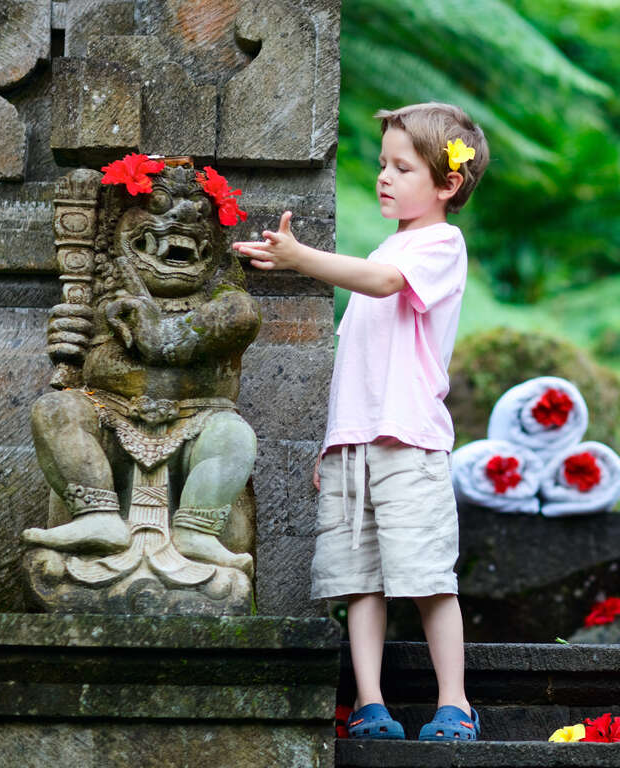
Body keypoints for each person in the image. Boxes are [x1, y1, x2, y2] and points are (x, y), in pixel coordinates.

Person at [232, 102, 489, 742]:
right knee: (359, 581)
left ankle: (453, 703)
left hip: (410, 444)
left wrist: (300, 258)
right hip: (354, 448)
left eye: (402, 167)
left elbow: (378, 283)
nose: (384, 177)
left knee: (428, 577)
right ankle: (370, 703)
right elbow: (358, 371)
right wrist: (332, 445)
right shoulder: (390, 244)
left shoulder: (438, 245)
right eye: (382, 165)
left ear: (447, 184)